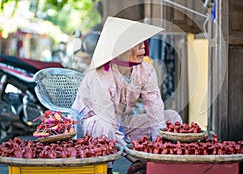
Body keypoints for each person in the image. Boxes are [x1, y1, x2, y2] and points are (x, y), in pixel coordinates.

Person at [71, 16, 182, 173]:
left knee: (172, 118)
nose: (143, 47)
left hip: (122, 123)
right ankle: (106, 169)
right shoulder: (100, 76)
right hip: (91, 126)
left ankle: (159, 166)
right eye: (135, 44)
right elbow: (108, 120)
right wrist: (136, 159)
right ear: (118, 51)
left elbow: (155, 107)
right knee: (106, 126)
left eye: (142, 42)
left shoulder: (145, 70)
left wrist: (159, 147)